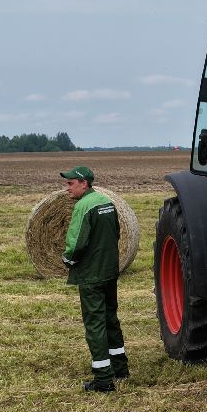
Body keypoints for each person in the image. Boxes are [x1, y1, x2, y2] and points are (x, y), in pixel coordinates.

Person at [60, 165, 127, 392]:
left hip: (91, 275)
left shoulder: (83, 206)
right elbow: (116, 233)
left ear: (84, 184)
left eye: (70, 183)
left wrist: (68, 260)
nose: (66, 188)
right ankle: (120, 368)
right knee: (111, 319)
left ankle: (103, 379)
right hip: (109, 271)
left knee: (95, 325)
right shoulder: (106, 202)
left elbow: (77, 243)